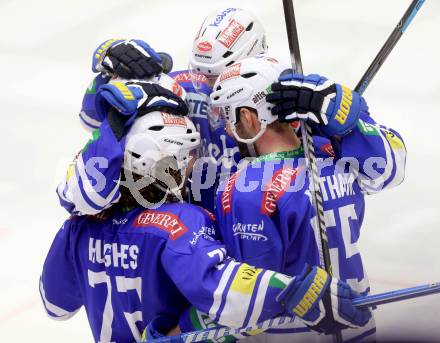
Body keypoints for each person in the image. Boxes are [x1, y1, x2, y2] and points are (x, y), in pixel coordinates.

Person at [40, 109, 370, 343]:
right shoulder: (177, 224)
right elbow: (223, 293)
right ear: (167, 164)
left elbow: (54, 305)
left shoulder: (77, 229)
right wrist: (291, 292)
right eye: (188, 156)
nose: (196, 164)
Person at [205, 56, 406, 341]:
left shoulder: (243, 189)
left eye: (228, 116)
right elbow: (391, 168)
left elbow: (249, 304)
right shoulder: (333, 153)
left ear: (249, 118)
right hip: (359, 330)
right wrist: (352, 120)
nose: (226, 129)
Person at [57, 7, 268, 216]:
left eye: (220, 77)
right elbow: (89, 119)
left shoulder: (275, 98)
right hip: (193, 229)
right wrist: (112, 71)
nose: (211, 86)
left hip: (250, 226)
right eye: (203, 74)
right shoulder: (177, 89)